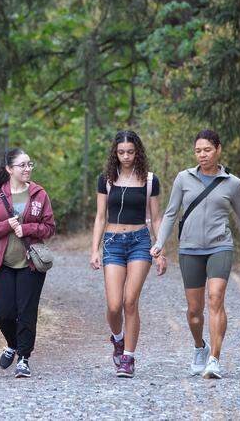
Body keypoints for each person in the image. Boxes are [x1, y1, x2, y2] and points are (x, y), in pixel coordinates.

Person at [151, 129, 240, 380]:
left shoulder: (232, 183)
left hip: (220, 246)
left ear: (218, 149)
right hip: (189, 249)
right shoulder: (183, 178)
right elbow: (170, 214)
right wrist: (159, 243)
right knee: (193, 310)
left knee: (215, 299)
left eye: (207, 150)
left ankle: (215, 360)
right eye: (198, 151)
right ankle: (200, 348)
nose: (202, 155)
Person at [88, 130, 166, 378]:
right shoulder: (106, 179)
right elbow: (100, 217)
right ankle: (118, 339)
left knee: (130, 301)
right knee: (113, 305)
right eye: (121, 152)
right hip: (112, 241)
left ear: (137, 152)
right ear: (115, 153)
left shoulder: (150, 180)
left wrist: (160, 249)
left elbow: (156, 218)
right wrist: (94, 249)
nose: (126, 157)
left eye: (130, 152)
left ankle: (128, 358)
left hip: (140, 242)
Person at [0, 147, 56, 378]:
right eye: (22, 165)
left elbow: (50, 228)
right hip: (2, 264)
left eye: (29, 164)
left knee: (27, 312)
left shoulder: (39, 194)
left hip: (30, 264)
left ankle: (24, 358)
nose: (27, 169)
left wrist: (28, 228)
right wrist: (6, 225)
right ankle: (12, 344)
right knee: (3, 312)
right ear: (9, 169)